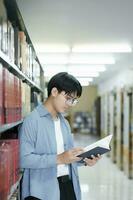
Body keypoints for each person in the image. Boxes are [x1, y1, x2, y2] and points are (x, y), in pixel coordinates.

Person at [19, 72, 101, 200]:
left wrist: (84, 160)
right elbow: (24, 159)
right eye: (68, 98)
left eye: (73, 100)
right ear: (55, 91)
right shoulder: (32, 120)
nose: (70, 103)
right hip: (42, 192)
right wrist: (59, 159)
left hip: (68, 186)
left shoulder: (64, 123)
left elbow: (67, 158)